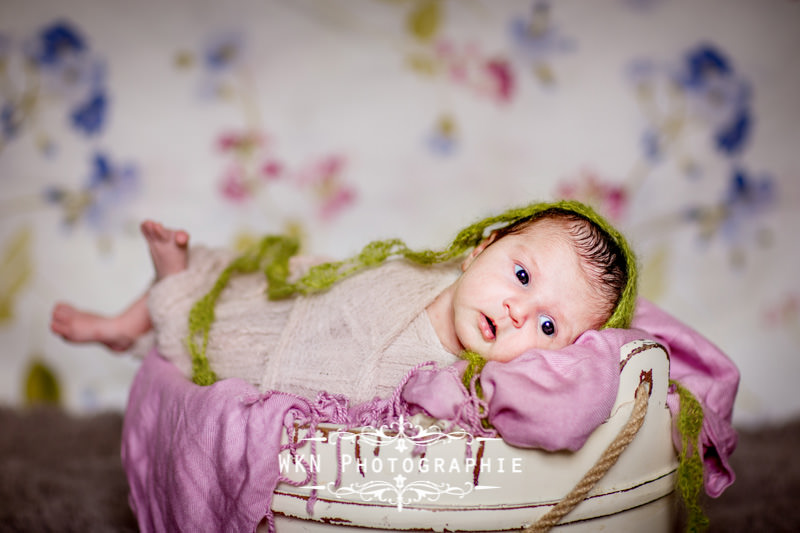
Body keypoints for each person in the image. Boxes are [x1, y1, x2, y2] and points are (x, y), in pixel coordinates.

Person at [51, 200, 634, 405]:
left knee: (212, 342)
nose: (517, 312)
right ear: (480, 248)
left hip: (285, 352)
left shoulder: (462, 387)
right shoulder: (438, 270)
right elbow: (364, 278)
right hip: (307, 297)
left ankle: (160, 299)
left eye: (549, 325)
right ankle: (124, 323)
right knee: (221, 267)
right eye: (523, 274)